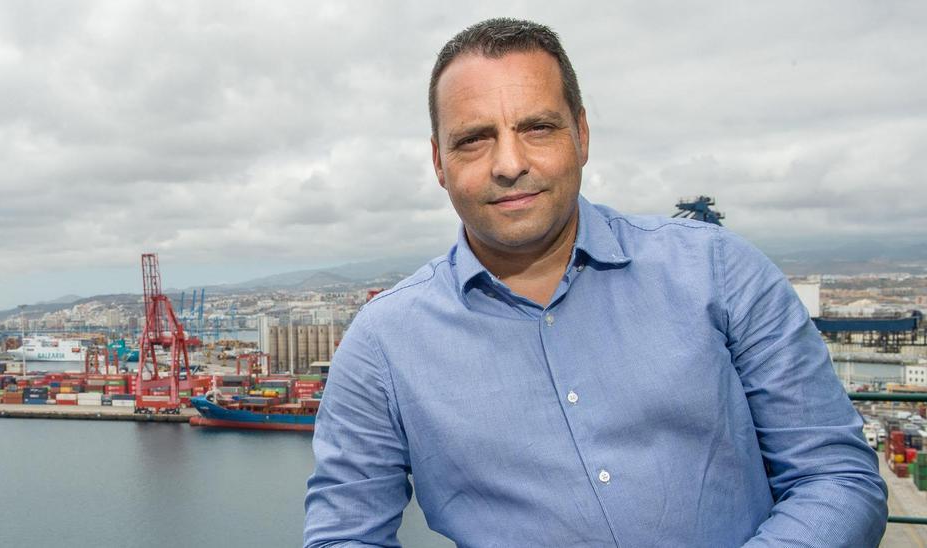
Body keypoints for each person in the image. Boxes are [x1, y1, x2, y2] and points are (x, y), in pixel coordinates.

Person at [303, 17, 886, 547]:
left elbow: (836, 477)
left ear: (582, 135)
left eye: (537, 127)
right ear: (438, 161)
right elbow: (343, 536)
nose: (508, 163)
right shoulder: (382, 344)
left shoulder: (720, 271)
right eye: (474, 139)